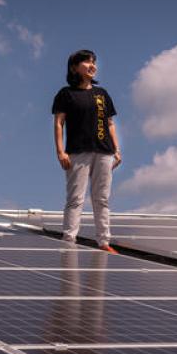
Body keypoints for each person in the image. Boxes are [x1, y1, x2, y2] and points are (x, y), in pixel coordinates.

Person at [52, 49, 121, 253]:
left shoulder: (102, 94)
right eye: (87, 62)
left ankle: (104, 242)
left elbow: (110, 124)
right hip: (78, 152)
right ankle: (69, 239)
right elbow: (59, 123)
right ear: (75, 67)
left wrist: (116, 150)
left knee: (101, 198)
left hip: (104, 152)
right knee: (76, 198)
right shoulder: (66, 94)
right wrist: (60, 152)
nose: (92, 66)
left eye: (94, 62)